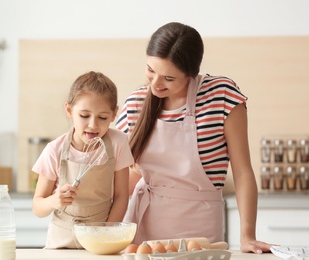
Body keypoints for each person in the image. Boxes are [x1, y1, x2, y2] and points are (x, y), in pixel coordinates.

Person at [116, 22, 272, 254]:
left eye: (169, 78)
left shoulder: (221, 96)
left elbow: (243, 171)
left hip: (201, 233)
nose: (155, 84)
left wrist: (247, 236)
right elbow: (126, 175)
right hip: (144, 231)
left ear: (191, 74)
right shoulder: (135, 103)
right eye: (150, 70)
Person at [32, 71, 134, 249]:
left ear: (114, 114)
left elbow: (121, 196)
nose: (93, 125)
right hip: (61, 242)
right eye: (84, 116)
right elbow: (37, 206)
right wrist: (54, 200)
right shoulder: (54, 150)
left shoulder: (118, 143)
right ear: (69, 110)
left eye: (102, 117)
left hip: (101, 239)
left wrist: (106, 235)